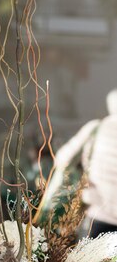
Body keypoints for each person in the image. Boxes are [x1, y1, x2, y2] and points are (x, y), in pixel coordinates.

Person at [43, 89, 117, 237]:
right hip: (101, 214)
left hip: (99, 214)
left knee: (95, 259)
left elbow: (63, 159)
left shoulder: (96, 128)